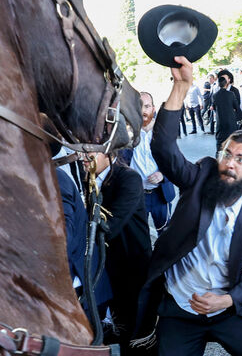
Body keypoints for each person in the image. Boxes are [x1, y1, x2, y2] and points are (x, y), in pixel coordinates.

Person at [133, 55, 242, 356]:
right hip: (179, 308)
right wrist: (181, 85)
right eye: (226, 154)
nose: (229, 164)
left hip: (228, 309)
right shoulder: (201, 174)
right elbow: (163, 148)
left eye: (240, 159)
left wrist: (226, 301)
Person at [81, 151, 151, 355]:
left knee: (136, 325)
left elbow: (110, 225)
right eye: (81, 151)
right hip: (109, 261)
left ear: (109, 153)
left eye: (89, 151)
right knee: (118, 318)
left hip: (133, 260)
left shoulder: (129, 178)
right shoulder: (90, 177)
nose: (83, 156)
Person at [129, 92, 175, 234]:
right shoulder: (127, 134)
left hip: (159, 195)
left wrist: (163, 175)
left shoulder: (164, 133)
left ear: (153, 109)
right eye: (139, 106)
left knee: (165, 233)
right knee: (138, 234)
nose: (143, 110)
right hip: (137, 196)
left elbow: (175, 164)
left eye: (147, 106)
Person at [213, 76, 242, 155]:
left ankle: (218, 159)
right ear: (226, 84)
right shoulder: (231, 94)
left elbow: (213, 107)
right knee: (232, 141)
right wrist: (241, 118)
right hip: (231, 122)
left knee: (219, 143)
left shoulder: (215, 95)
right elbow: (237, 107)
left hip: (220, 122)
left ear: (218, 84)